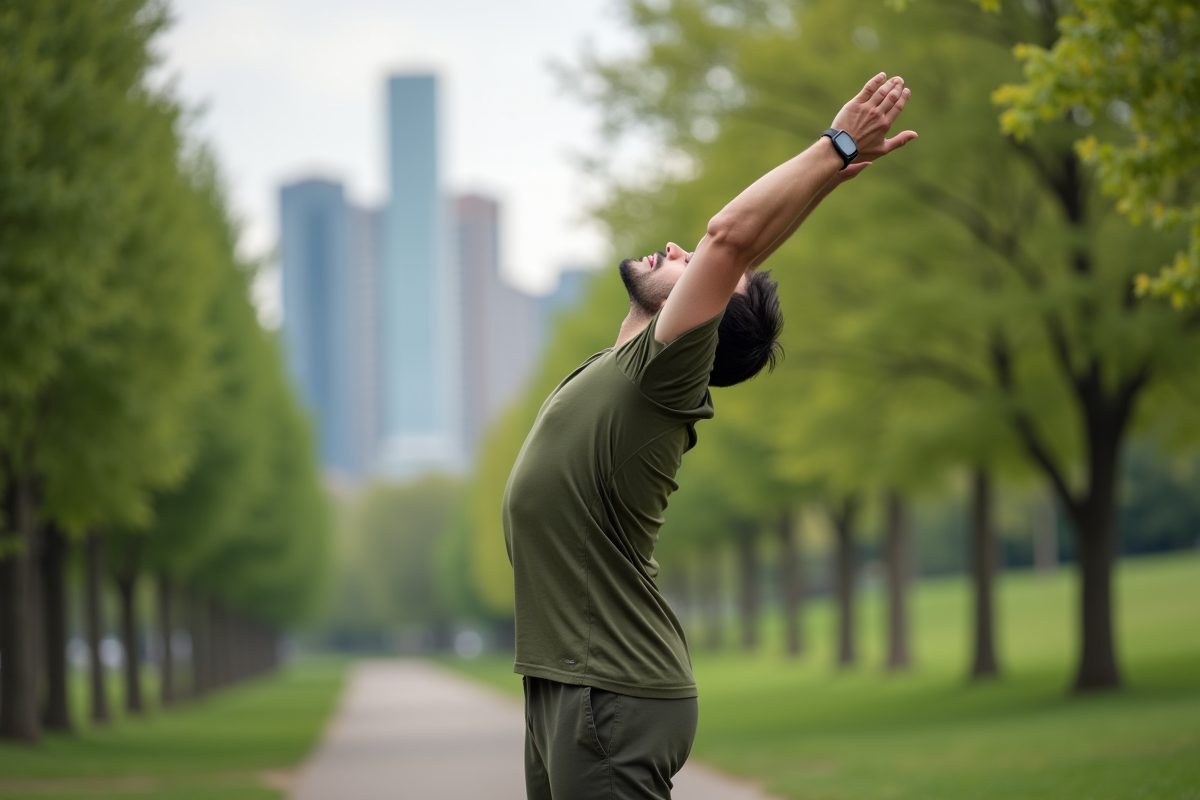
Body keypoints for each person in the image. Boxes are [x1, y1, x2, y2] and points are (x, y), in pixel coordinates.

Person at [503, 72, 917, 800]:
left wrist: (835, 144)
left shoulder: (658, 380)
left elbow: (730, 240)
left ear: (708, 316)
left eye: (695, 267)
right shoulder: (629, 368)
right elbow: (739, 253)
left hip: (610, 688)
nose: (677, 247)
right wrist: (823, 180)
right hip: (568, 683)